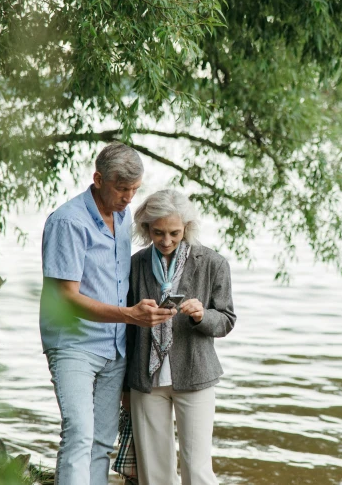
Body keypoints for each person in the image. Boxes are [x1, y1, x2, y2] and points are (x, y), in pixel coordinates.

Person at [39, 143, 175, 485]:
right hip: (73, 345)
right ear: (98, 179)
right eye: (121, 188)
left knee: (101, 442)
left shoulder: (123, 215)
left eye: (134, 189)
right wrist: (130, 315)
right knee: (79, 435)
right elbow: (66, 298)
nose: (129, 197)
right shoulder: (68, 221)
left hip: (114, 347)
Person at [124, 189, 236, 485]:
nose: (166, 241)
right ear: (146, 228)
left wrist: (202, 315)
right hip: (145, 380)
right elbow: (126, 328)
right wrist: (125, 386)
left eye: (174, 232)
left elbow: (226, 320)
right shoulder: (135, 264)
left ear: (186, 227)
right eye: (158, 232)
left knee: (197, 471)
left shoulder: (213, 263)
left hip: (196, 374)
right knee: (153, 474)